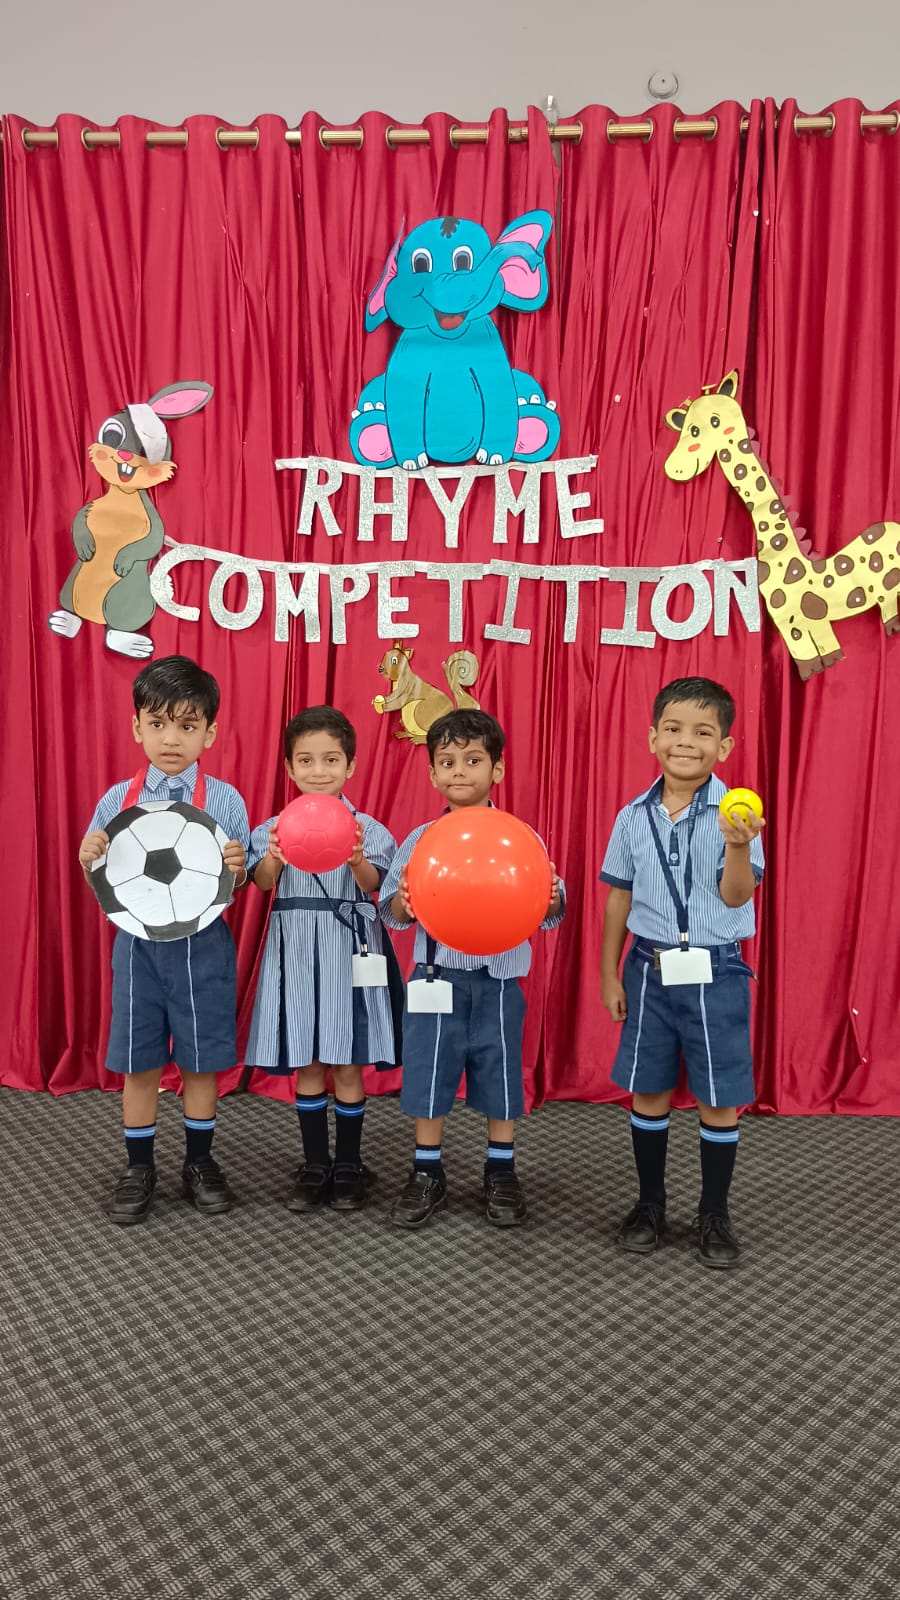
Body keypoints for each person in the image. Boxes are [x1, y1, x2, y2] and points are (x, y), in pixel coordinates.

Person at [78, 655, 252, 1225]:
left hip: (204, 947)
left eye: (186, 725)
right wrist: (87, 859)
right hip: (138, 948)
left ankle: (199, 1161)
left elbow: (238, 881)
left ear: (210, 733)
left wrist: (238, 866)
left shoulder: (225, 800)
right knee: (139, 1061)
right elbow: (103, 882)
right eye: (157, 724)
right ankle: (139, 1166)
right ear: (137, 728)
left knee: (202, 1062)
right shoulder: (116, 800)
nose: (171, 738)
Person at [599, 676, 765, 1269]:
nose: (686, 742)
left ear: (724, 745)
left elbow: (736, 895)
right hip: (649, 969)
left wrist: (738, 845)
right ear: (652, 737)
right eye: (673, 729)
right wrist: (609, 973)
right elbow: (618, 898)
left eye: (703, 732)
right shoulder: (631, 817)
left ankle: (714, 1211)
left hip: (717, 971)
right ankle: (650, 1203)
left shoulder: (737, 814)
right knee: (648, 1090)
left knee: (719, 1099)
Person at [381, 708, 564, 1230]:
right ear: (432, 774)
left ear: (496, 769)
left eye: (473, 760)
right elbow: (391, 913)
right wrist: (404, 904)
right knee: (429, 1071)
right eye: (447, 762)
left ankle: (500, 1170)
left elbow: (549, 911)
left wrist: (551, 896)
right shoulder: (420, 840)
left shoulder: (520, 837)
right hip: (435, 979)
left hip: (499, 981)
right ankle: (427, 1171)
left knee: (499, 1072)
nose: (459, 771)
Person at [246, 706, 399, 1212]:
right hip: (295, 948)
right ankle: (315, 1164)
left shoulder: (368, 828)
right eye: (306, 760)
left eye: (331, 759)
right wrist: (273, 855)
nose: (318, 771)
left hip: (349, 949)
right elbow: (261, 883)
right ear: (289, 768)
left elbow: (377, 885)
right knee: (309, 1063)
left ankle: (349, 1165)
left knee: (348, 1062)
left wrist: (356, 859)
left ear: (350, 766)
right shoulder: (273, 828)